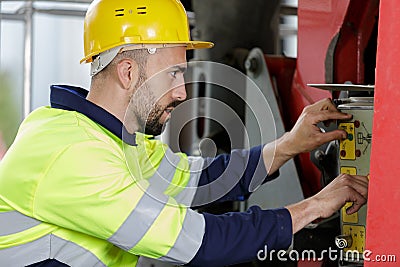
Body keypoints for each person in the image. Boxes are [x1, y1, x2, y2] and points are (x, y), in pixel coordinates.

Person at [0, 0, 369, 266]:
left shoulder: (115, 141)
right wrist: (314, 207)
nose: (183, 92)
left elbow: (206, 178)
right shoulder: (75, 155)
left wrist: (290, 144)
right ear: (128, 73)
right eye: (174, 75)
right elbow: (199, 241)